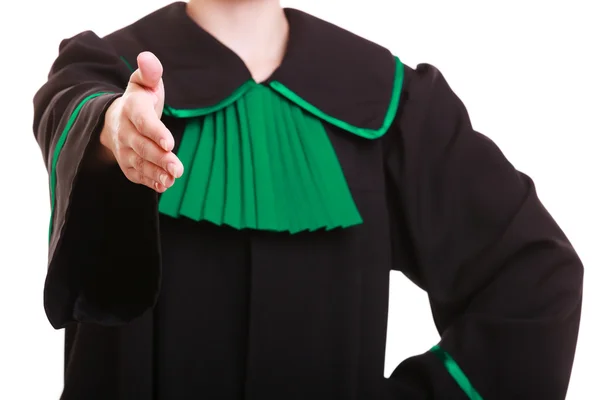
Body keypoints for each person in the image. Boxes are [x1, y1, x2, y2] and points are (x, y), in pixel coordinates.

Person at [32, 0, 583, 399]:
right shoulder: (106, 72)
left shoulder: (395, 101)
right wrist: (113, 133)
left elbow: (535, 276)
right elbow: (76, 110)